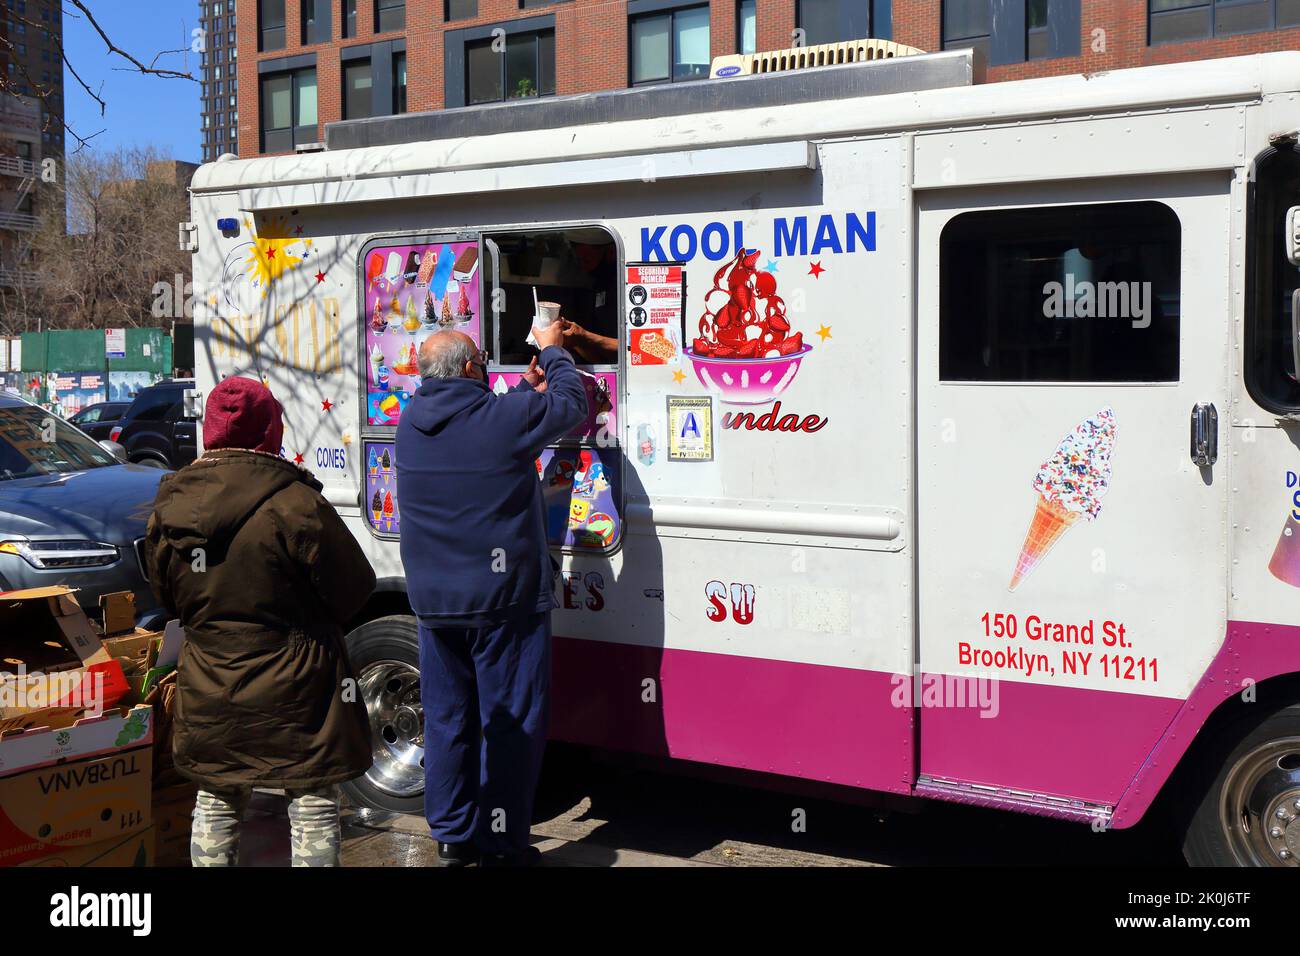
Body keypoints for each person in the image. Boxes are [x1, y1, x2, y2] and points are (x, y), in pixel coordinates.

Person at [145, 375, 376, 867]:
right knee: (312, 802)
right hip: (300, 688)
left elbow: (167, 598)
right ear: (270, 429)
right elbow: (354, 587)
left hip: (210, 682)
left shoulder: (171, 506)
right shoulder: (296, 503)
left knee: (216, 799)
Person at [395, 324, 587, 867]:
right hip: (504, 603)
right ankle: (502, 844)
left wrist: (523, 394)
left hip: (436, 605)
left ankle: (453, 837)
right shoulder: (502, 420)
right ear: (473, 369)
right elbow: (571, 402)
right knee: (510, 722)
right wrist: (552, 350)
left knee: (448, 718)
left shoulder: (410, 423)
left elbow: (479, 429)